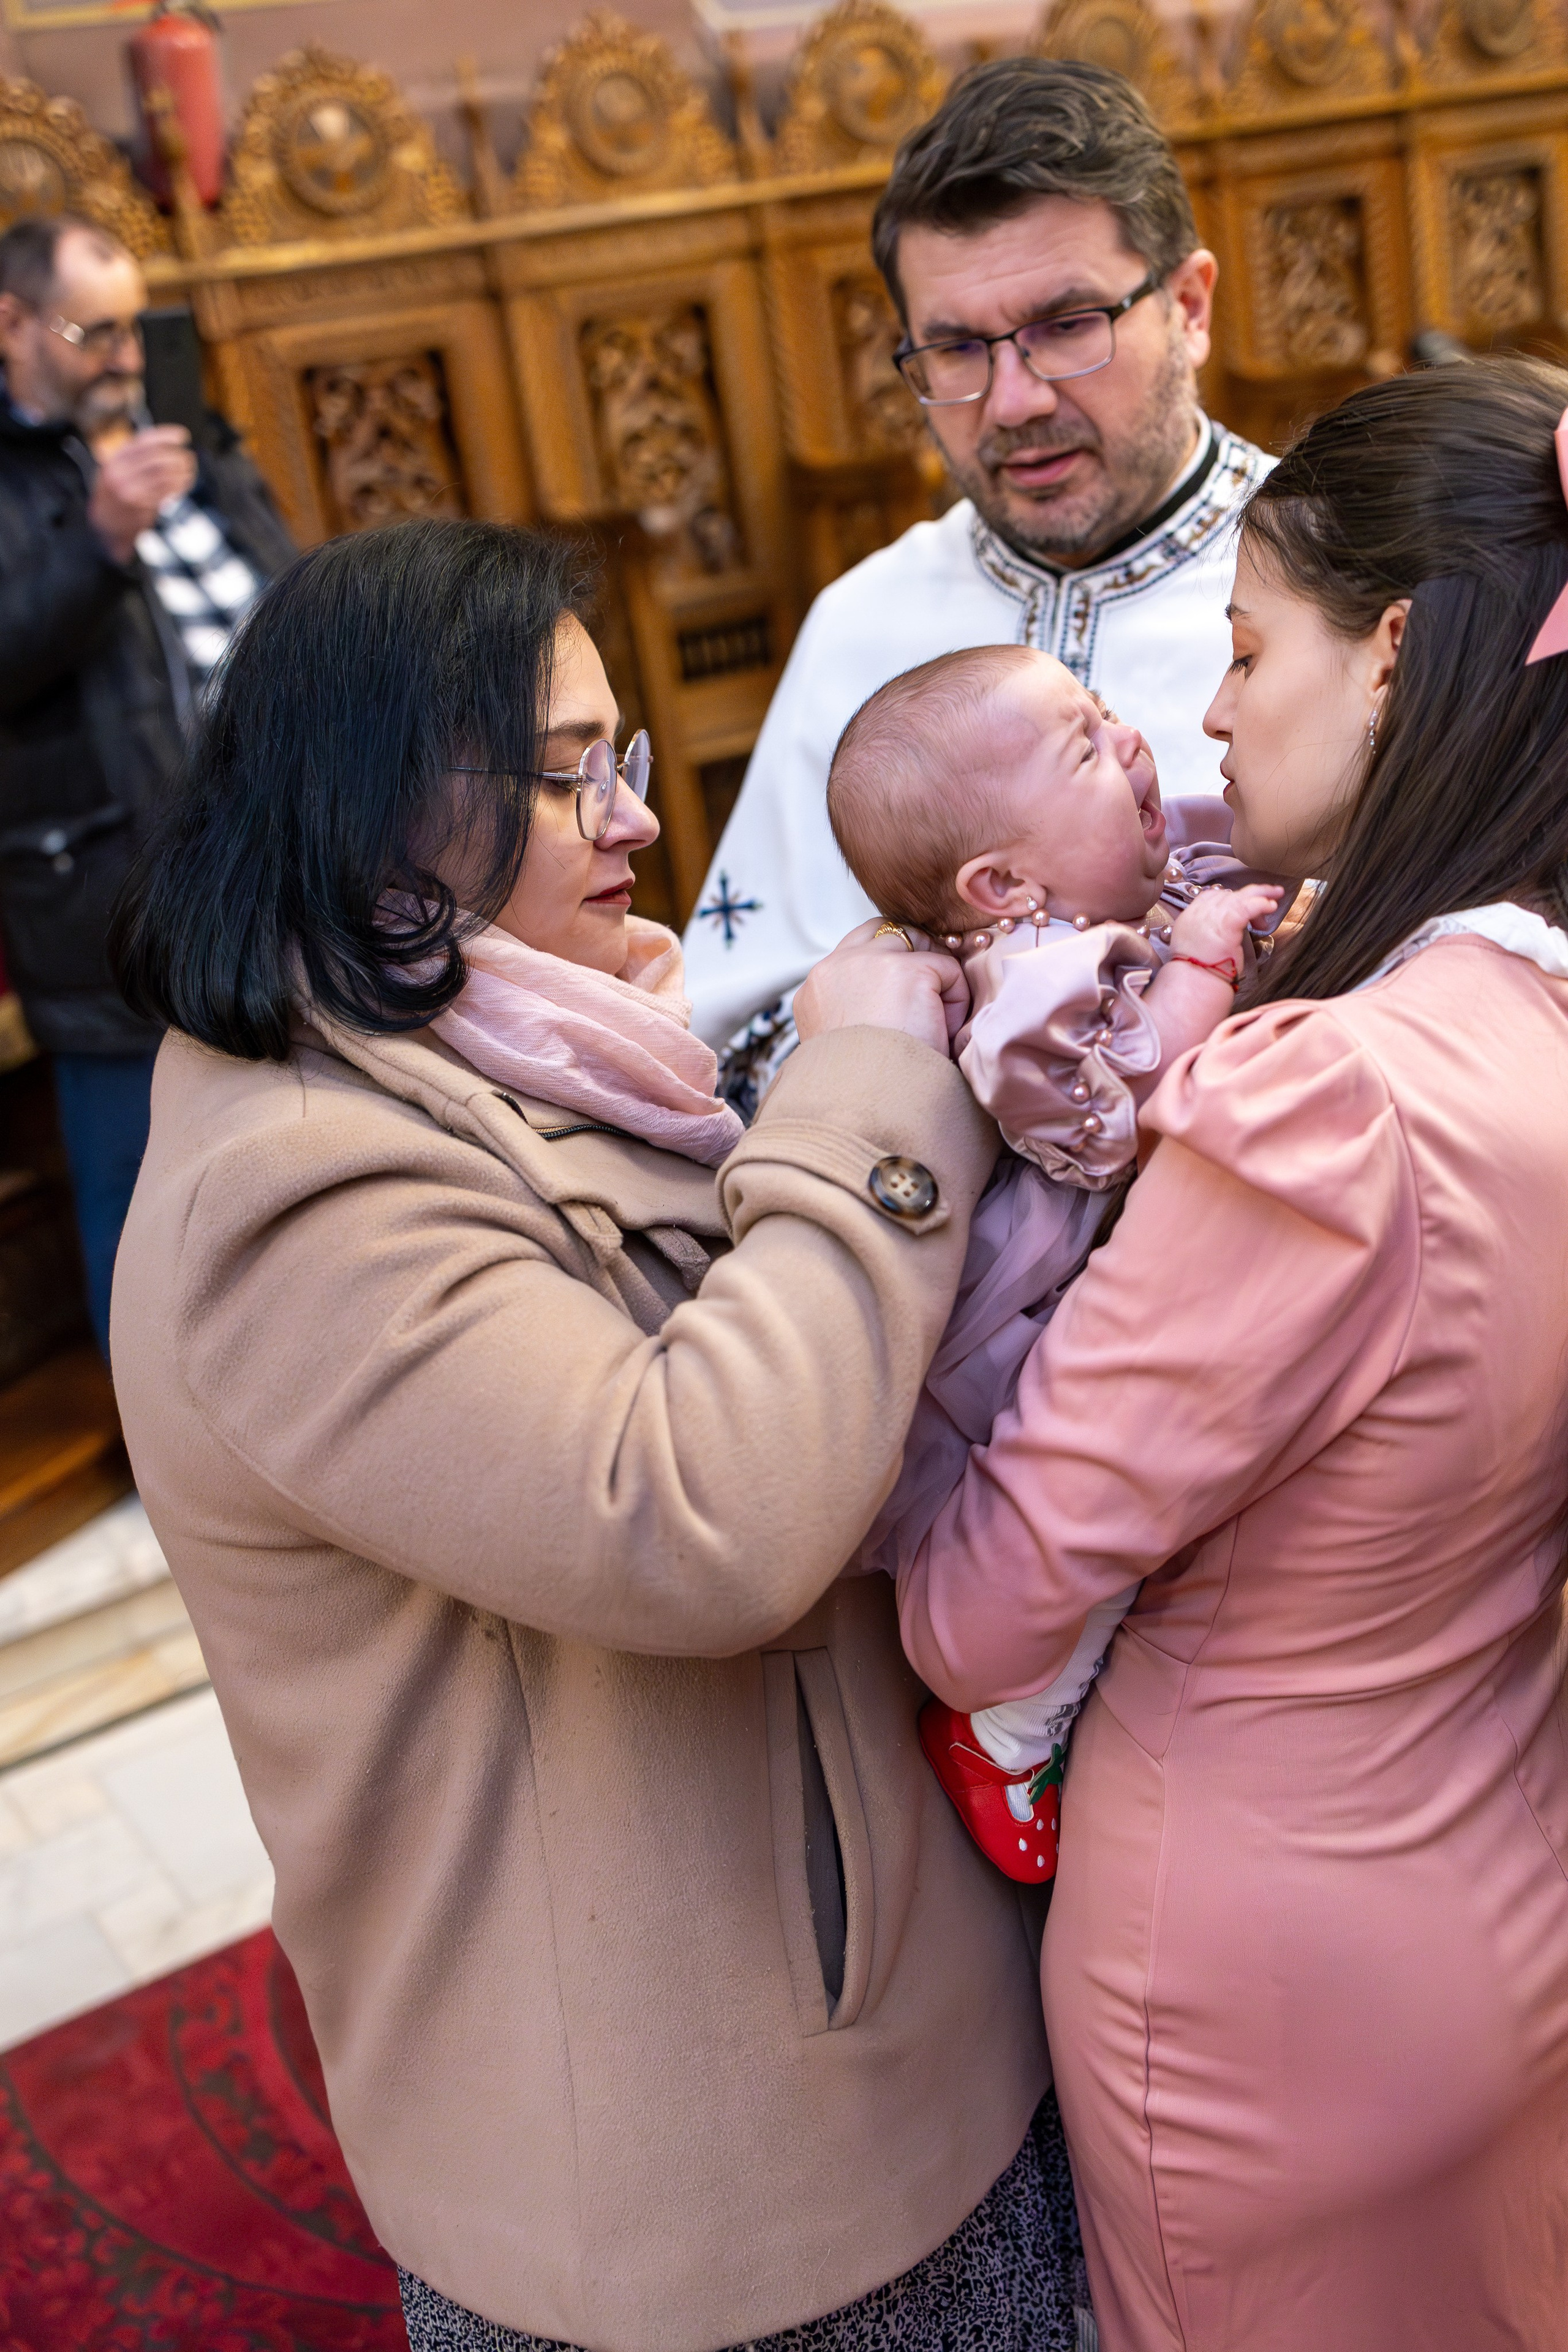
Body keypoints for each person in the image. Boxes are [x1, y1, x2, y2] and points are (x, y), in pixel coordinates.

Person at [106, 518, 1090, 2352]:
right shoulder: (295, 1192)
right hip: (708, 2178)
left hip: (870, 2038)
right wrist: (875, 1090)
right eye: (569, 776)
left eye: (622, 758)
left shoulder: (527, 1049)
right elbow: (693, 1515)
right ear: (369, 809)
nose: (639, 818)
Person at [897, 354, 1568, 2350]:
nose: (1204, 709)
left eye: (1248, 647)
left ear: (1393, 659)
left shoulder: (1331, 1103)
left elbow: (986, 1607)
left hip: (1263, 1961)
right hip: (1505, 1875)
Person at [683, 56, 1270, 1076]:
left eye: (1066, 326)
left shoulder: (1343, 573)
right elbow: (735, 1034)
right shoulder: (863, 619)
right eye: (955, 350)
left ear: (1191, 306)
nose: (1013, 403)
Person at [828, 645, 1279, 1883]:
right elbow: (1099, 1127)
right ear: (1000, 884)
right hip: (1004, 1372)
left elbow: (1216, 850)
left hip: (1072, 1334)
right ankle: (1006, 1735)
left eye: (1109, 718)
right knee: (1090, 1566)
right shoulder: (1027, 985)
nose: (1133, 743)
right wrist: (1197, 967)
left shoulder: (1108, 906)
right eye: (1085, 748)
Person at [0, 211, 292, 1353]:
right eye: (94, 330)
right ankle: (171, 1463)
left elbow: (285, 575)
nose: (125, 356)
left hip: (273, 853)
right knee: (142, 1196)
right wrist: (101, 535)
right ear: (12, 324)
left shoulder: (191, 432)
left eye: (137, 327)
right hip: (108, 878)